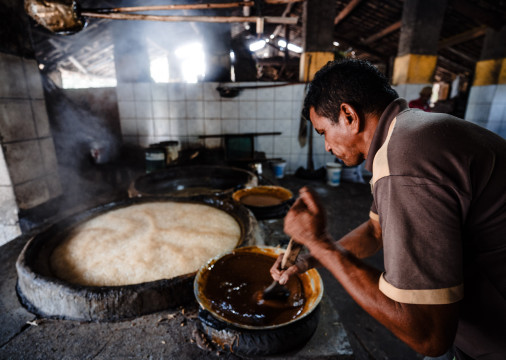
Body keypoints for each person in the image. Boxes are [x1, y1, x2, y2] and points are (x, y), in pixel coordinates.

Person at [270, 59, 506, 359]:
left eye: (323, 132)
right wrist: (308, 259)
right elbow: (374, 230)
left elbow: (429, 335)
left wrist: (322, 244)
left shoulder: (406, 161)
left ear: (348, 116)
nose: (327, 147)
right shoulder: (410, 133)